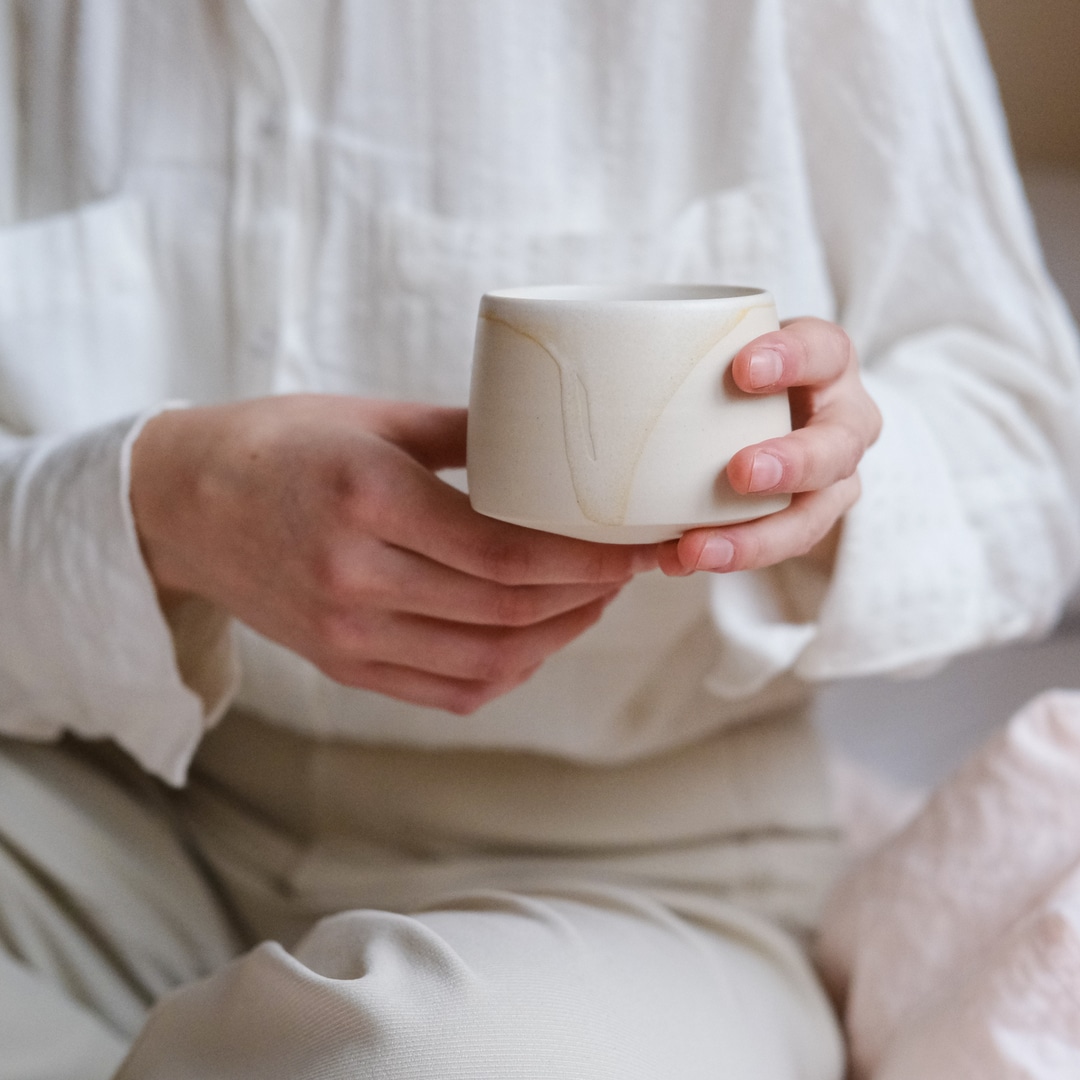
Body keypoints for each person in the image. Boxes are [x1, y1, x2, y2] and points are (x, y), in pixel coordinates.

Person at [0, 1, 1077, 1077]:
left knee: (422, 1055)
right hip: (124, 816)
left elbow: (1035, 443)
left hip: (641, 878)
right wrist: (160, 505)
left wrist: (831, 472)